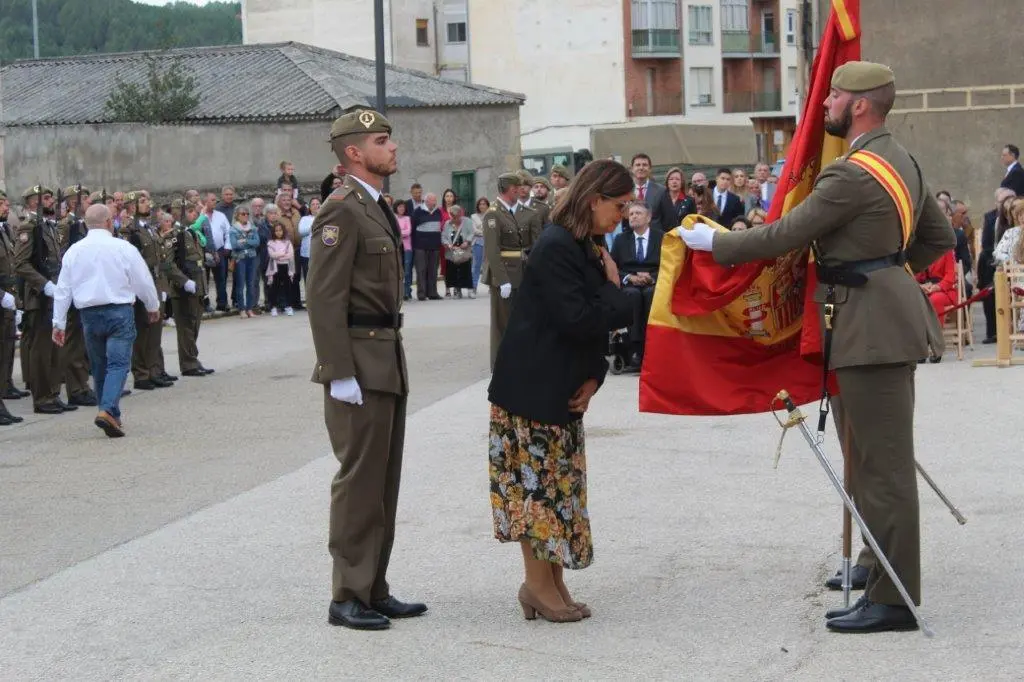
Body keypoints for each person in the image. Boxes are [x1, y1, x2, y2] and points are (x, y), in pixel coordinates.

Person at [678, 61, 956, 633]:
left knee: (883, 467)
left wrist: (714, 242)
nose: (821, 103)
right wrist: (886, 275)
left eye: (831, 95)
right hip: (869, 326)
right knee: (870, 459)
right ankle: (877, 572)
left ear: (859, 104)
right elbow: (936, 238)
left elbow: (785, 233)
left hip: (869, 331)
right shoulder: (901, 159)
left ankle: (895, 601)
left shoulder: (853, 174)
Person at [487, 159, 633, 623]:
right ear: (594, 200)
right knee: (536, 492)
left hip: (559, 388)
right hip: (531, 392)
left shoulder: (584, 242)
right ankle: (536, 585)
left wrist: (594, 376)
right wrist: (615, 289)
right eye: (620, 205)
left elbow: (587, 328)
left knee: (558, 489)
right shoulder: (556, 245)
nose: (624, 214)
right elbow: (577, 318)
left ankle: (551, 582)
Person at [306, 108, 425, 631]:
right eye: (382, 140)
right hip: (358, 359)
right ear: (354, 152)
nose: (393, 147)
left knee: (384, 480)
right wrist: (337, 370)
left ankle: (374, 586)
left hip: (385, 354)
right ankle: (347, 594)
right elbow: (323, 298)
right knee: (358, 481)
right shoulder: (341, 211)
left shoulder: (373, 205)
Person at [51, 204, 161, 437]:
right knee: (119, 364)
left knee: (100, 366)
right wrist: (152, 305)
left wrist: (58, 322)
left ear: (85, 224)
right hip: (119, 311)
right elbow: (142, 279)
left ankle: (110, 414)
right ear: (110, 222)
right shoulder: (122, 247)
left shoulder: (74, 251)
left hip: (89, 315)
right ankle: (108, 410)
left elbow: (63, 289)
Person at [15, 185, 75, 414]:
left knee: (54, 348)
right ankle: (41, 398)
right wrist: (45, 285)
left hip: (54, 296)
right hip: (38, 297)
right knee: (41, 350)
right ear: (33, 202)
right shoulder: (28, 227)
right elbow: (20, 264)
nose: (51, 202)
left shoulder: (48, 226)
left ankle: (52, 394)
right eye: (46, 198)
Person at [481, 173, 528, 368]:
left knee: (515, 321)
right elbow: (492, 251)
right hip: (504, 276)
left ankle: (514, 361)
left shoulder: (509, 211)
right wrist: (502, 280)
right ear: (511, 189)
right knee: (501, 323)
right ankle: (500, 365)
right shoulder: (493, 213)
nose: (520, 191)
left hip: (518, 273)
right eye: (518, 188)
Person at [164, 203, 215, 378]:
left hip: (197, 286)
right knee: (186, 327)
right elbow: (167, 263)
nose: (195, 215)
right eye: (191, 211)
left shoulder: (190, 232)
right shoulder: (173, 235)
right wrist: (184, 281)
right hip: (183, 289)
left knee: (194, 326)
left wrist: (202, 287)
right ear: (179, 213)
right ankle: (188, 364)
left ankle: (192, 358)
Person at [611, 202, 662, 370]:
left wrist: (652, 277)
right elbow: (612, 268)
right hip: (629, 283)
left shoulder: (661, 237)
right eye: (631, 213)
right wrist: (628, 277)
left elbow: (668, 265)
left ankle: (652, 349)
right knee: (633, 295)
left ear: (648, 217)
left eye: (638, 213)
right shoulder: (621, 239)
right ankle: (636, 350)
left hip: (654, 281)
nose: (633, 216)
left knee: (649, 294)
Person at [0, 190, 23, 425]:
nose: (6, 207)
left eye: (7, 203)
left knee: (6, 350)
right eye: (1, 203)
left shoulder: (5, 231)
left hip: (7, 299)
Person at [230, 204, 261, 318]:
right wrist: (249, 242)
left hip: (252, 258)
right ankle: (241, 309)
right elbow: (234, 245)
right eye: (243, 214)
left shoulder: (252, 227)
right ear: (237, 216)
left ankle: (249, 308)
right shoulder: (233, 229)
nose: (246, 216)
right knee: (240, 284)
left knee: (251, 284)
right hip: (240, 259)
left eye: (247, 214)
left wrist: (244, 241)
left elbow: (257, 242)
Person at [441, 205, 475, 298]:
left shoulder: (467, 221)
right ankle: (458, 290)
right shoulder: (448, 223)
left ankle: (470, 290)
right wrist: (448, 244)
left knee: (466, 270)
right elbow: (443, 236)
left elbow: (472, 233)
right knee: (453, 271)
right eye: (452, 215)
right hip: (452, 251)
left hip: (464, 250)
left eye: (456, 215)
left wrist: (467, 241)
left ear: (460, 214)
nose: (454, 218)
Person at [265, 222, 295, 316]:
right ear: (273, 232)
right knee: (274, 287)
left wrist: (279, 255)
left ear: (283, 231)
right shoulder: (271, 243)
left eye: (280, 230)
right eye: (276, 231)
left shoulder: (287, 242)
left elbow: (290, 254)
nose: (278, 232)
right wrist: (283, 254)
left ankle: (288, 306)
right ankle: (273, 307)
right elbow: (272, 255)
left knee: (287, 287)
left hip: (286, 267)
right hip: (275, 268)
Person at [393, 201, 414, 301]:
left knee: (407, 270)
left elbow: (408, 231)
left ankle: (407, 291)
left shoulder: (407, 218)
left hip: (407, 248)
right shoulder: (393, 218)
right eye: (400, 207)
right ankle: (399, 292)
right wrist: (402, 232)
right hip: (397, 247)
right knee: (398, 271)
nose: (401, 209)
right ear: (396, 208)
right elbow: (393, 231)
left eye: (403, 207)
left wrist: (399, 232)